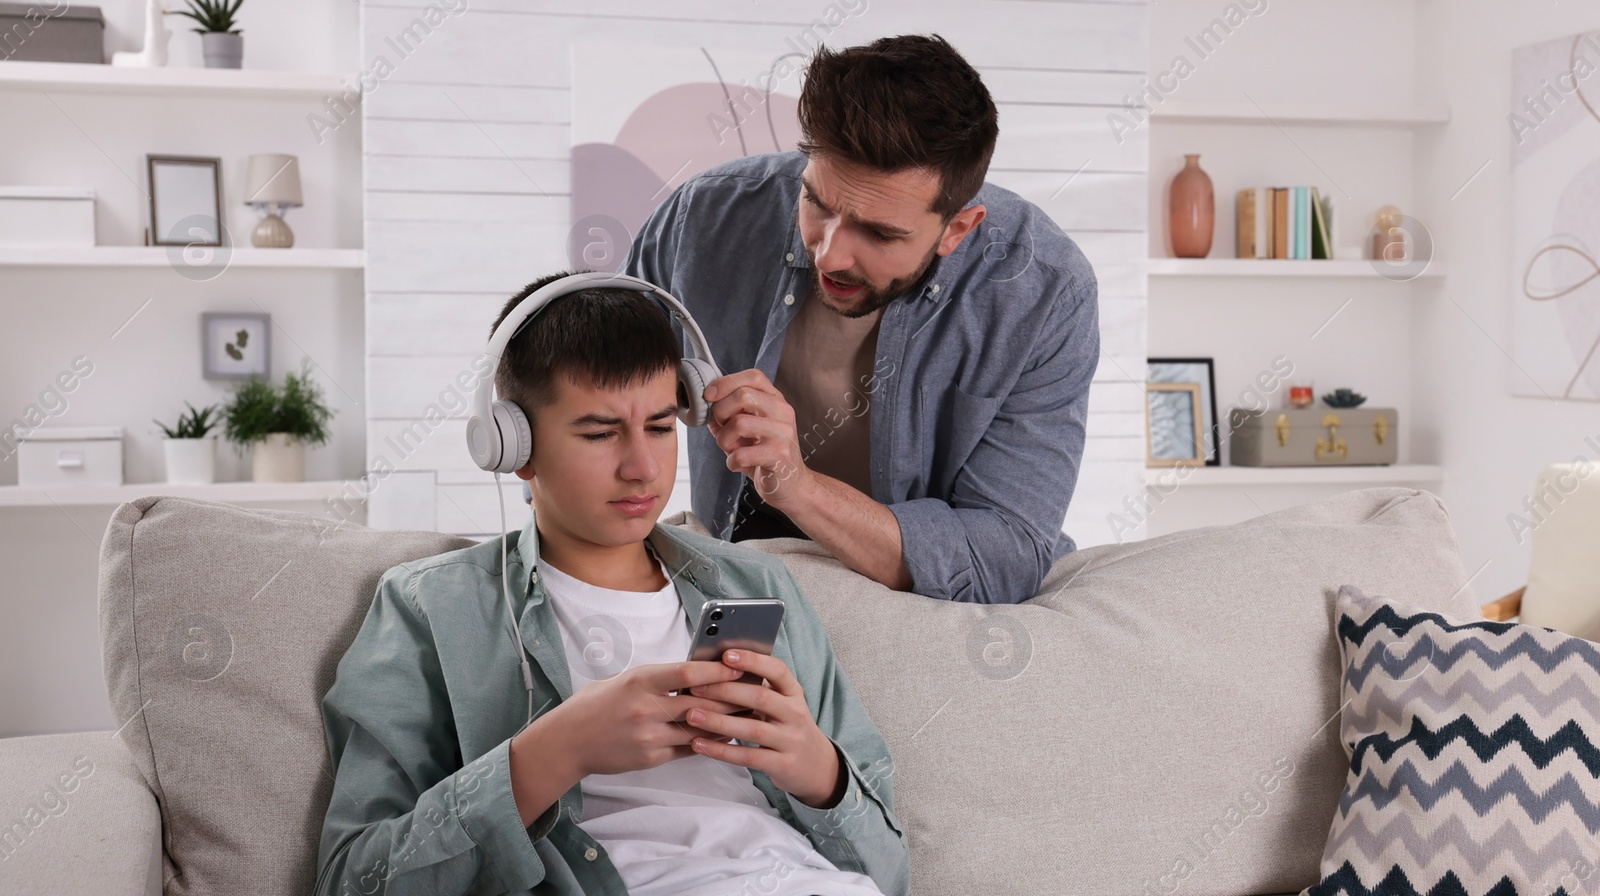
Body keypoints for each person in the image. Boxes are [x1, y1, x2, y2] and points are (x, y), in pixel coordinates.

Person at [315, 271, 909, 896]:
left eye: (659, 427)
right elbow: (355, 880)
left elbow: (892, 873)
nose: (643, 468)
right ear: (512, 443)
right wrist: (551, 754)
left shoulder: (757, 583)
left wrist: (821, 774)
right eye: (600, 433)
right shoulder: (431, 607)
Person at [620, 34, 1101, 604]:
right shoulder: (700, 218)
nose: (829, 255)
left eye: (879, 233)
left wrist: (797, 486)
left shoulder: (1045, 292)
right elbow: (584, 389)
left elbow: (1002, 558)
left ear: (957, 229)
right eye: (817, 204)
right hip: (741, 572)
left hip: (930, 607)